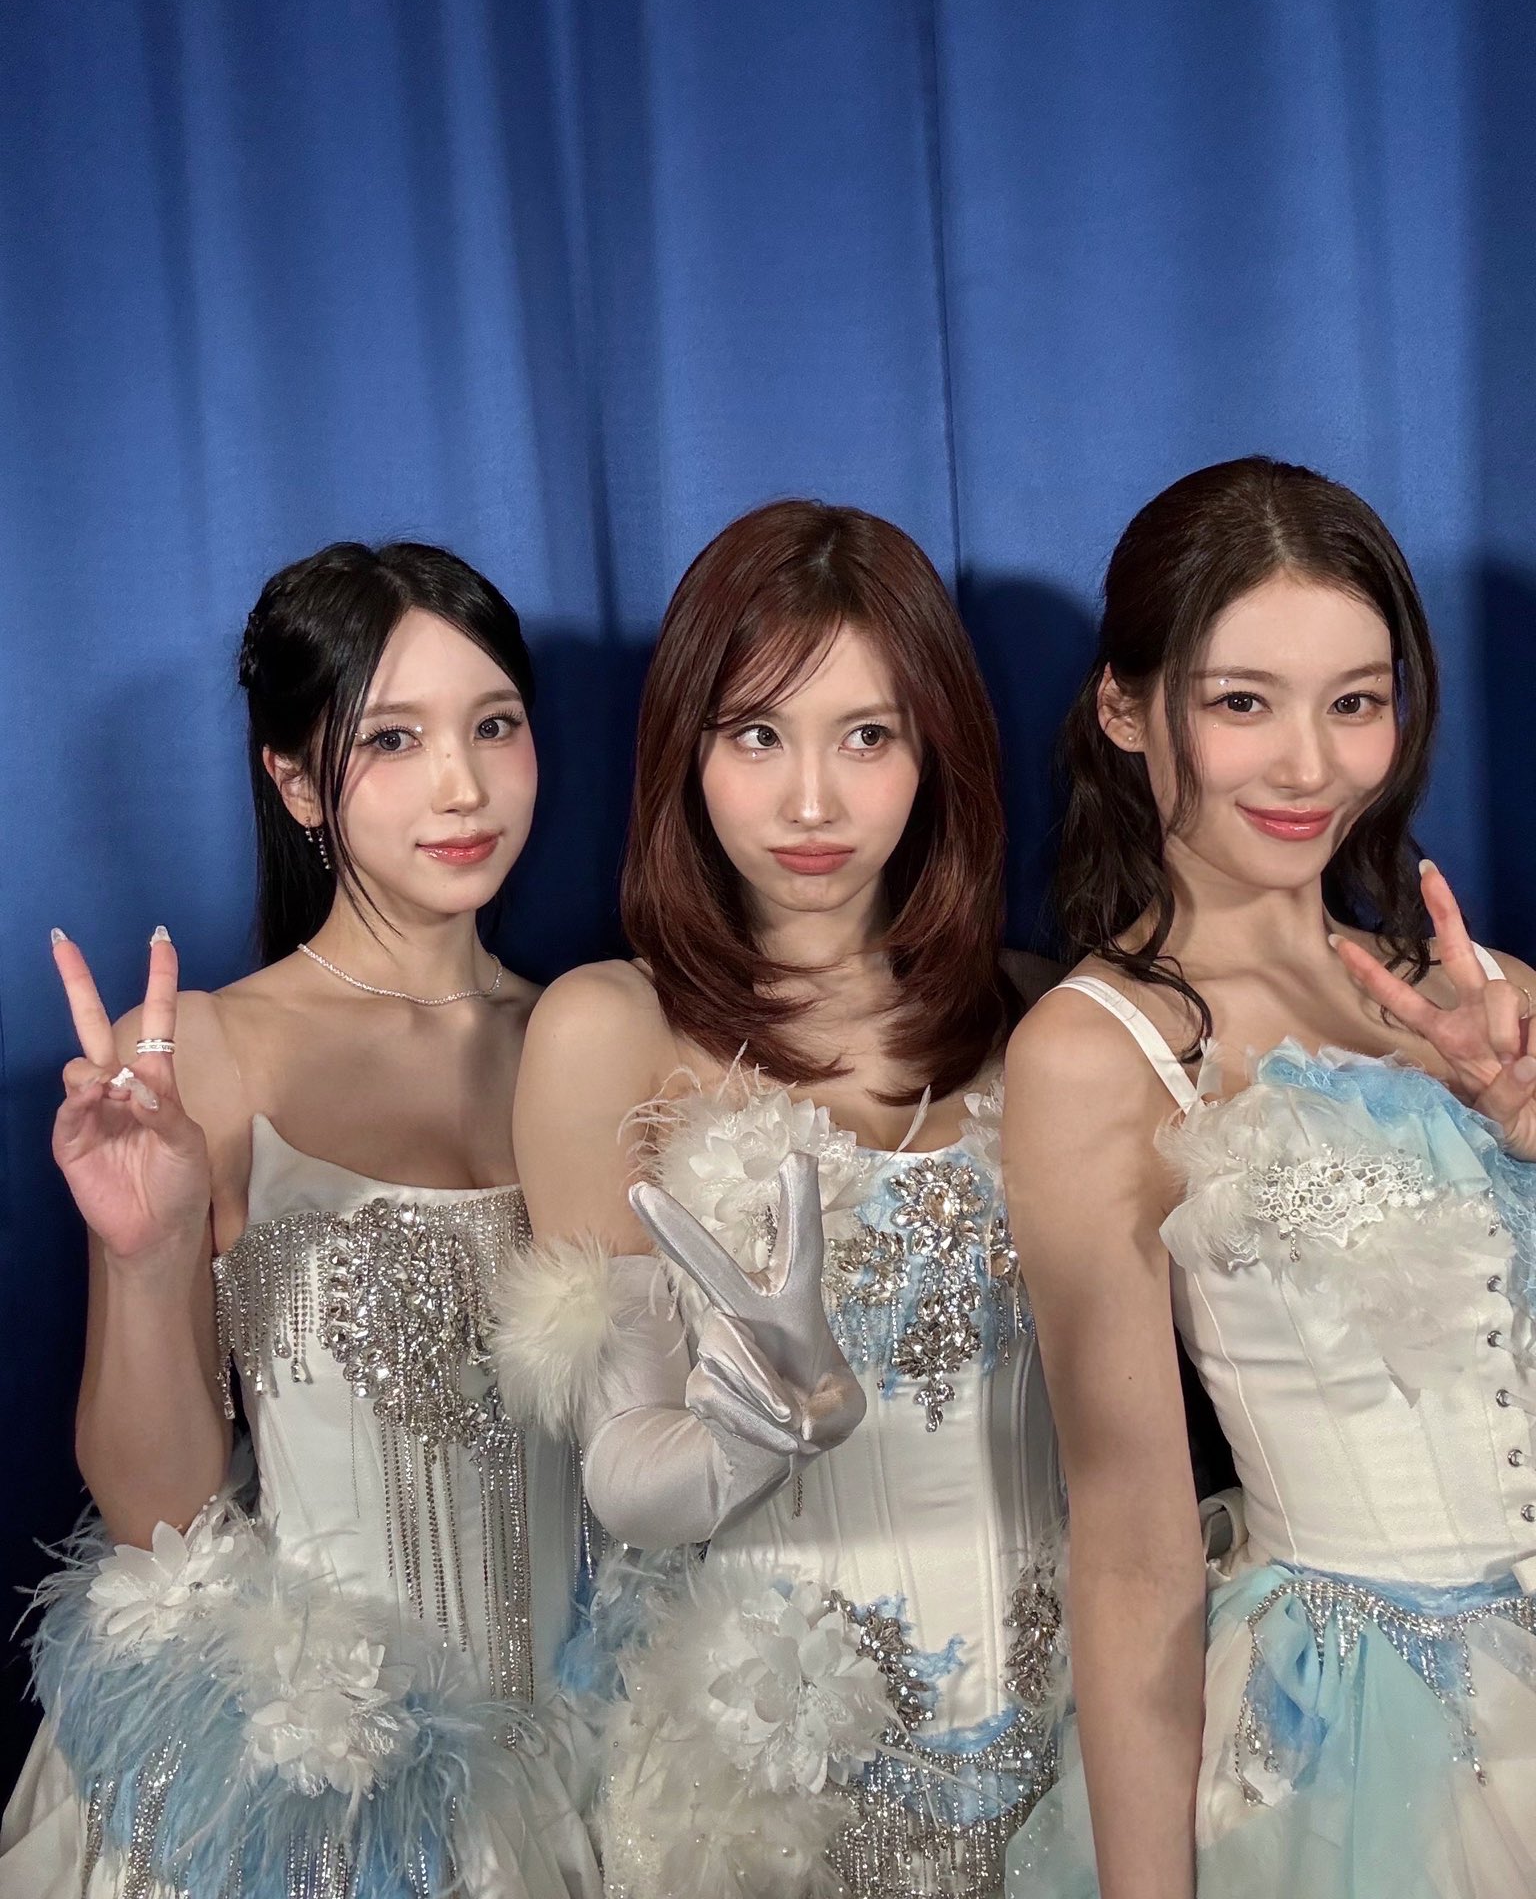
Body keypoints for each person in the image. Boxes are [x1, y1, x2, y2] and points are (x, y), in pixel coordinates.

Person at [0, 542, 600, 1898]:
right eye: (393, 738)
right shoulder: (207, 1051)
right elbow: (157, 1517)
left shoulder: (596, 1033)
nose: (463, 786)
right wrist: (145, 1251)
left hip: (592, 1776)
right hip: (319, 1801)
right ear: (295, 782)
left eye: (494, 724)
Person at [493, 500, 1066, 1899]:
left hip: (1069, 1742)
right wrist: (752, 1436)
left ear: (937, 753)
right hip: (771, 1782)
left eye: (867, 736)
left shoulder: (1047, 1016)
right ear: (683, 753)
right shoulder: (607, 1028)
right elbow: (622, 1479)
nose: (812, 802)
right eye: (757, 734)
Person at [1002, 457, 1536, 1899]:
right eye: (1244, 702)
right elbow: (1131, 1548)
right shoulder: (1096, 1049)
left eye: (1355, 702)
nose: (1311, 766)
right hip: (1351, 1746)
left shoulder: (1488, 998)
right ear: (1126, 709)